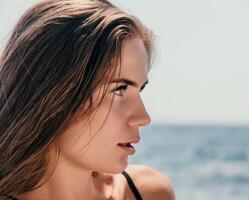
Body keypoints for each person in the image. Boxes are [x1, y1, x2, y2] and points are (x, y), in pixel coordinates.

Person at [0, 0, 175, 199]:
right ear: (54, 94)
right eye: (120, 89)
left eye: (139, 90)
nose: (143, 117)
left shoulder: (149, 192)